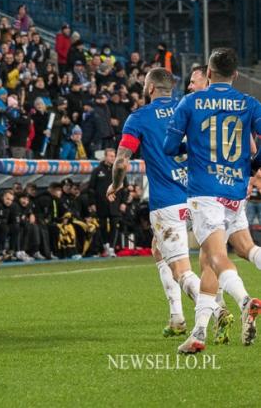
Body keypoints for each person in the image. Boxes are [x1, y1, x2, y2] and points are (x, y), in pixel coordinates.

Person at [109, 68, 232, 341]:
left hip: (167, 202)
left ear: (150, 88)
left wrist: (116, 184)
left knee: (182, 271)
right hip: (200, 197)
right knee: (157, 249)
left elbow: (121, 160)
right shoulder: (190, 109)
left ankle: (217, 309)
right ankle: (176, 318)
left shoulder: (138, 118)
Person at [164, 48, 261, 353]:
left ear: (207, 72)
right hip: (234, 192)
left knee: (216, 257)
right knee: (235, 252)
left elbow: (169, 147)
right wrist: (252, 168)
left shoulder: (190, 102)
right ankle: (198, 333)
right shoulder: (249, 103)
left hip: (205, 192)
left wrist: (190, 143)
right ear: (235, 75)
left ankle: (245, 301)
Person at [87, 149, 120, 257]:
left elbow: (123, 186)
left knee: (115, 225)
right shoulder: (97, 171)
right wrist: (92, 203)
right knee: (103, 226)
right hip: (101, 203)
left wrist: (124, 202)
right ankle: (105, 245)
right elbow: (91, 188)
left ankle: (111, 247)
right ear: (105, 157)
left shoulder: (117, 170)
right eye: (110, 156)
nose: (112, 158)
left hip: (115, 204)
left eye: (114, 156)